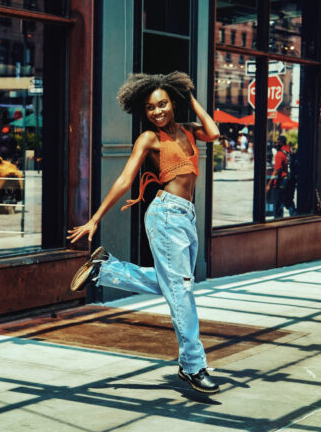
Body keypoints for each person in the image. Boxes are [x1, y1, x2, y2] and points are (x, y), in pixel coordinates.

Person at [67, 72, 221, 394]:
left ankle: (104, 269)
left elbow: (214, 132)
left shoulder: (188, 132)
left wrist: (189, 94)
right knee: (181, 291)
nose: (157, 112)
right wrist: (95, 218)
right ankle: (192, 365)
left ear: (173, 103)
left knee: (177, 285)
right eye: (151, 108)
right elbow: (124, 180)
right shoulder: (149, 139)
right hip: (165, 215)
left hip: (186, 217)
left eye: (163, 104)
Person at [266, 135, 293, 218]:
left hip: (279, 182)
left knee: (277, 203)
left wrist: (268, 184)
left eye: (277, 142)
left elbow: (276, 170)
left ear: (281, 143)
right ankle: (292, 214)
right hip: (287, 180)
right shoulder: (287, 152)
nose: (275, 144)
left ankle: (277, 220)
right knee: (284, 202)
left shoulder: (279, 154)